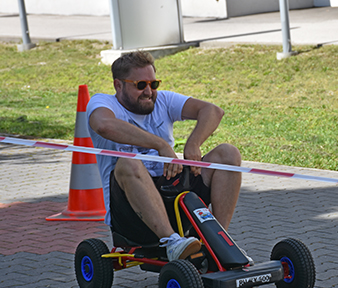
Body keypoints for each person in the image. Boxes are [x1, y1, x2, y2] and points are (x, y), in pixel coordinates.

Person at [86, 51, 242, 262]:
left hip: (173, 192)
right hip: (132, 211)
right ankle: (171, 242)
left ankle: (219, 241)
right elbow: (103, 125)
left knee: (227, 153)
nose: (149, 91)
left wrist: (194, 143)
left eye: (154, 84)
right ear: (118, 85)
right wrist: (160, 145)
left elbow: (213, 111)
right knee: (129, 163)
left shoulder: (164, 100)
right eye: (140, 85)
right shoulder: (103, 103)